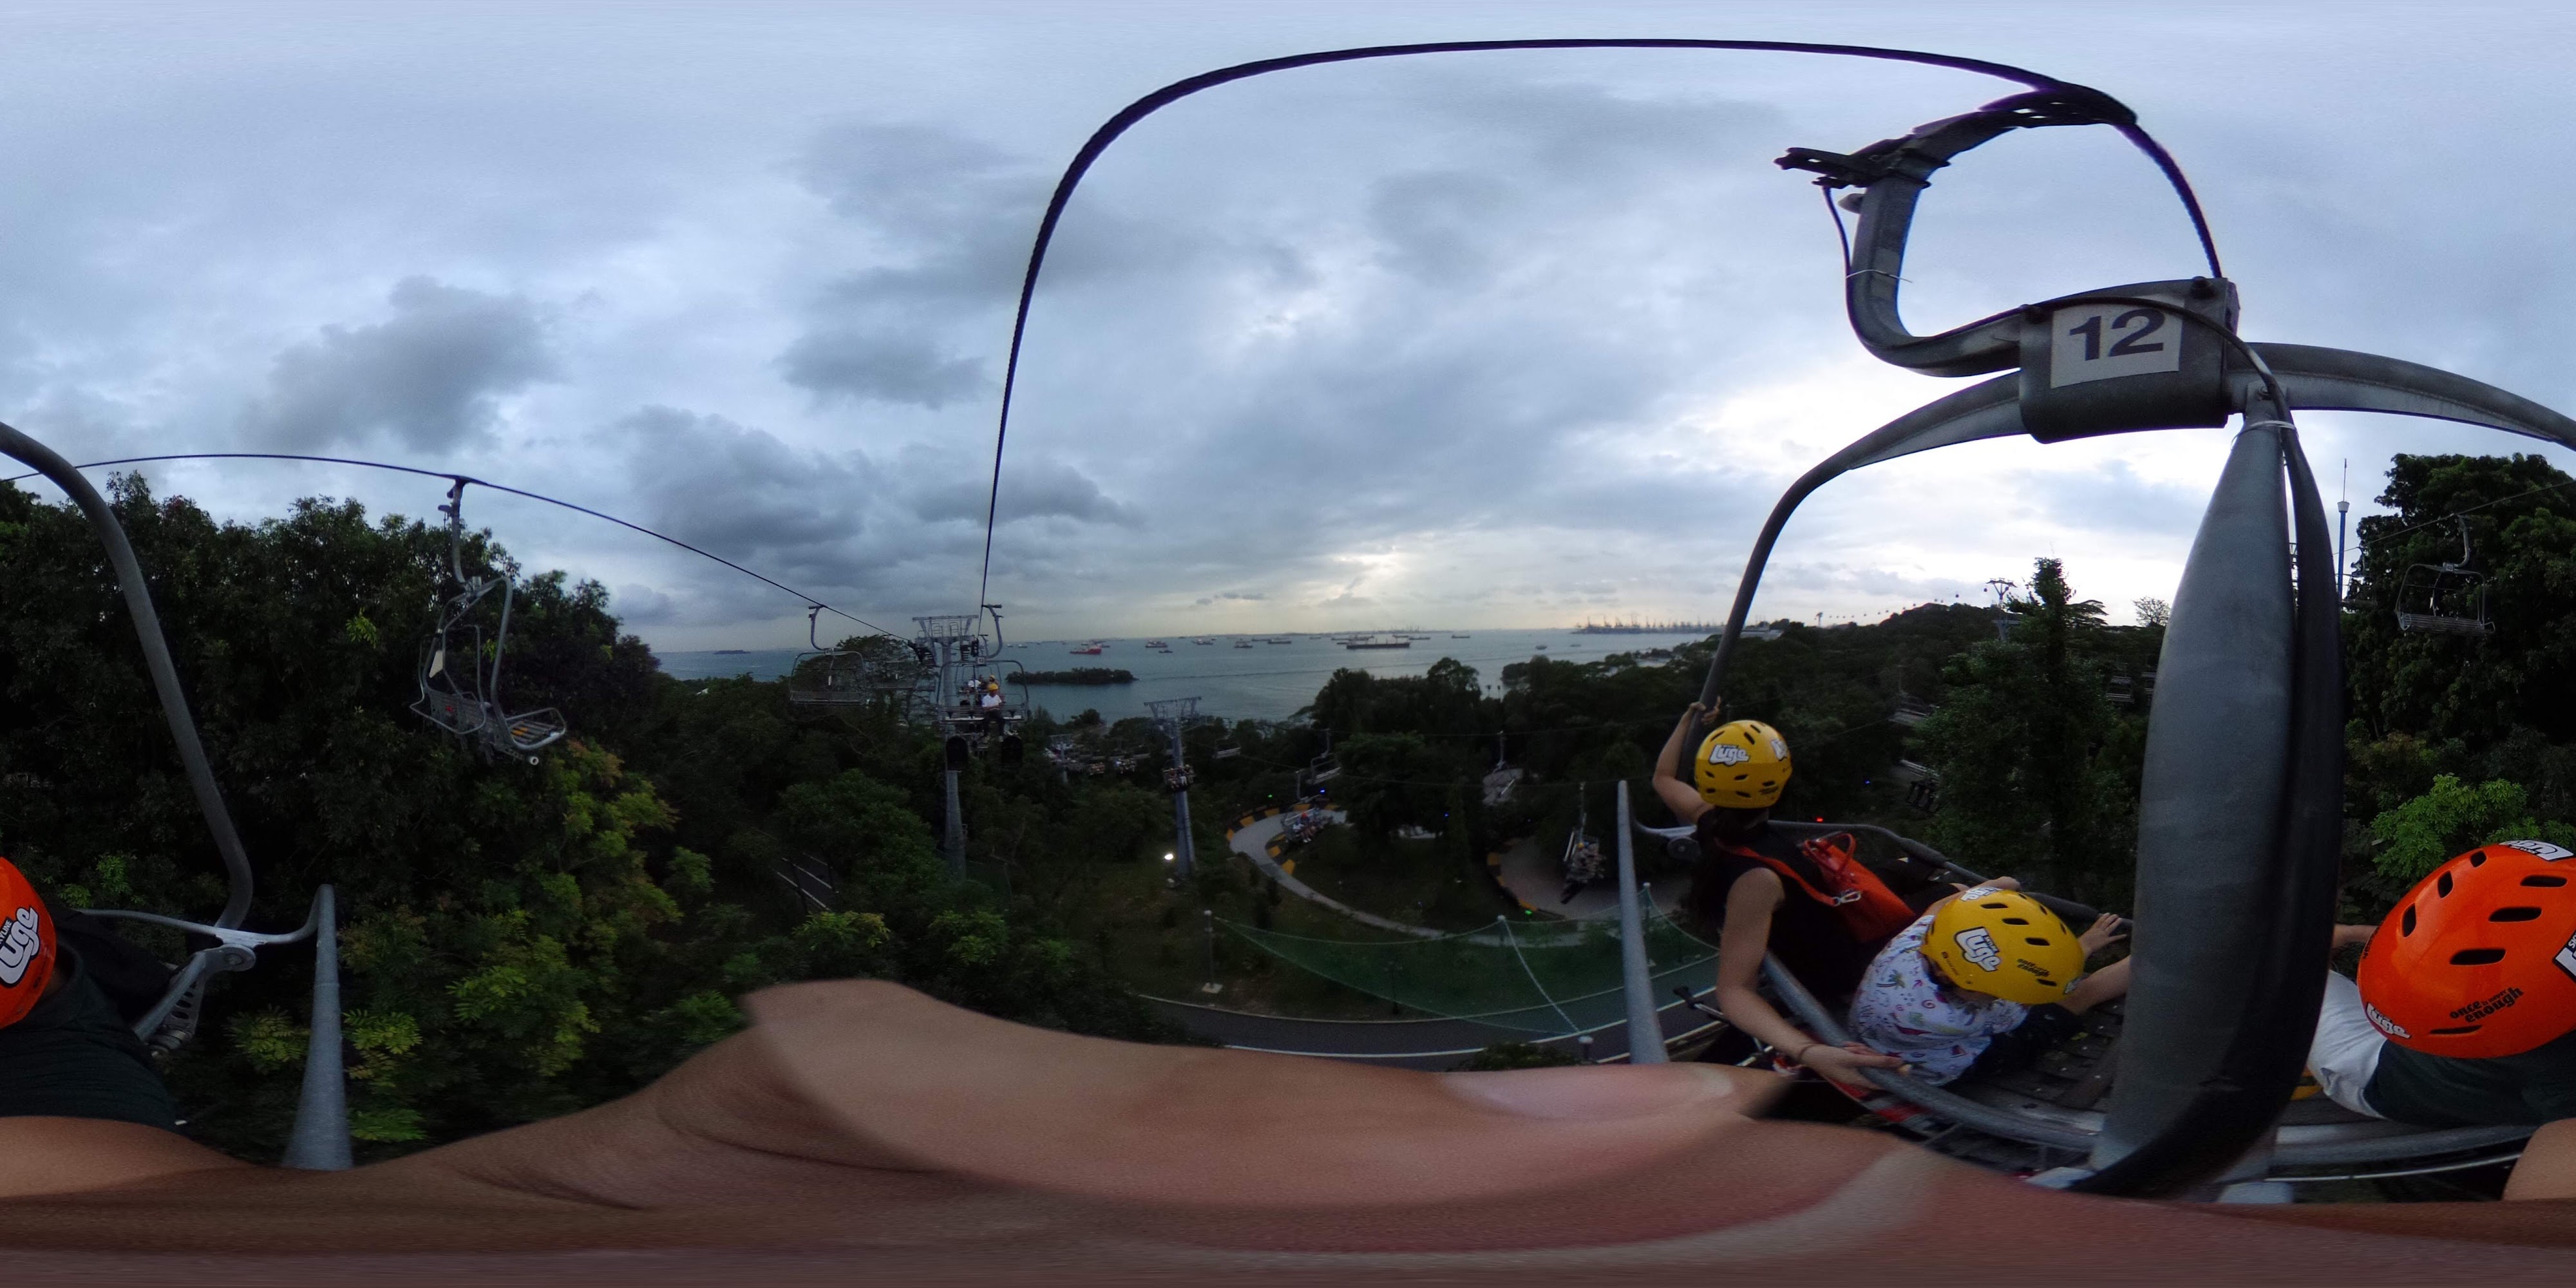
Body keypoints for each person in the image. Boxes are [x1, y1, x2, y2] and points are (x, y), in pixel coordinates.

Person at [1652, 701, 1919, 1084]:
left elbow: (1663, 778)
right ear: (1780, 781)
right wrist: (1809, 1051)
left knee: (1904, 870)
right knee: (1957, 891)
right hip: (1841, 965)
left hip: (1821, 926)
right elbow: (1734, 990)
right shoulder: (1757, 880)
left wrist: (1685, 719)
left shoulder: (1708, 820)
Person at [2309, 840, 2576, 1127]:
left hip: (2369, 1070)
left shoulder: (2556, 1064)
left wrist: (2349, 936)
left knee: (2298, 972)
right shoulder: (2539, 1015)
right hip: (2422, 1044)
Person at [1848, 885, 2132, 1085]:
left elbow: (1938, 909)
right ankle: (2162, 955)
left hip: (1876, 1036)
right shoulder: (1959, 1018)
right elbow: (2041, 997)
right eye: (1994, 992)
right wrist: (2082, 948)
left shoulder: (1908, 945)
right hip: (1931, 1068)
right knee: (2076, 998)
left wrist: (1998, 890)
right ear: (1967, 987)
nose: (1995, 996)